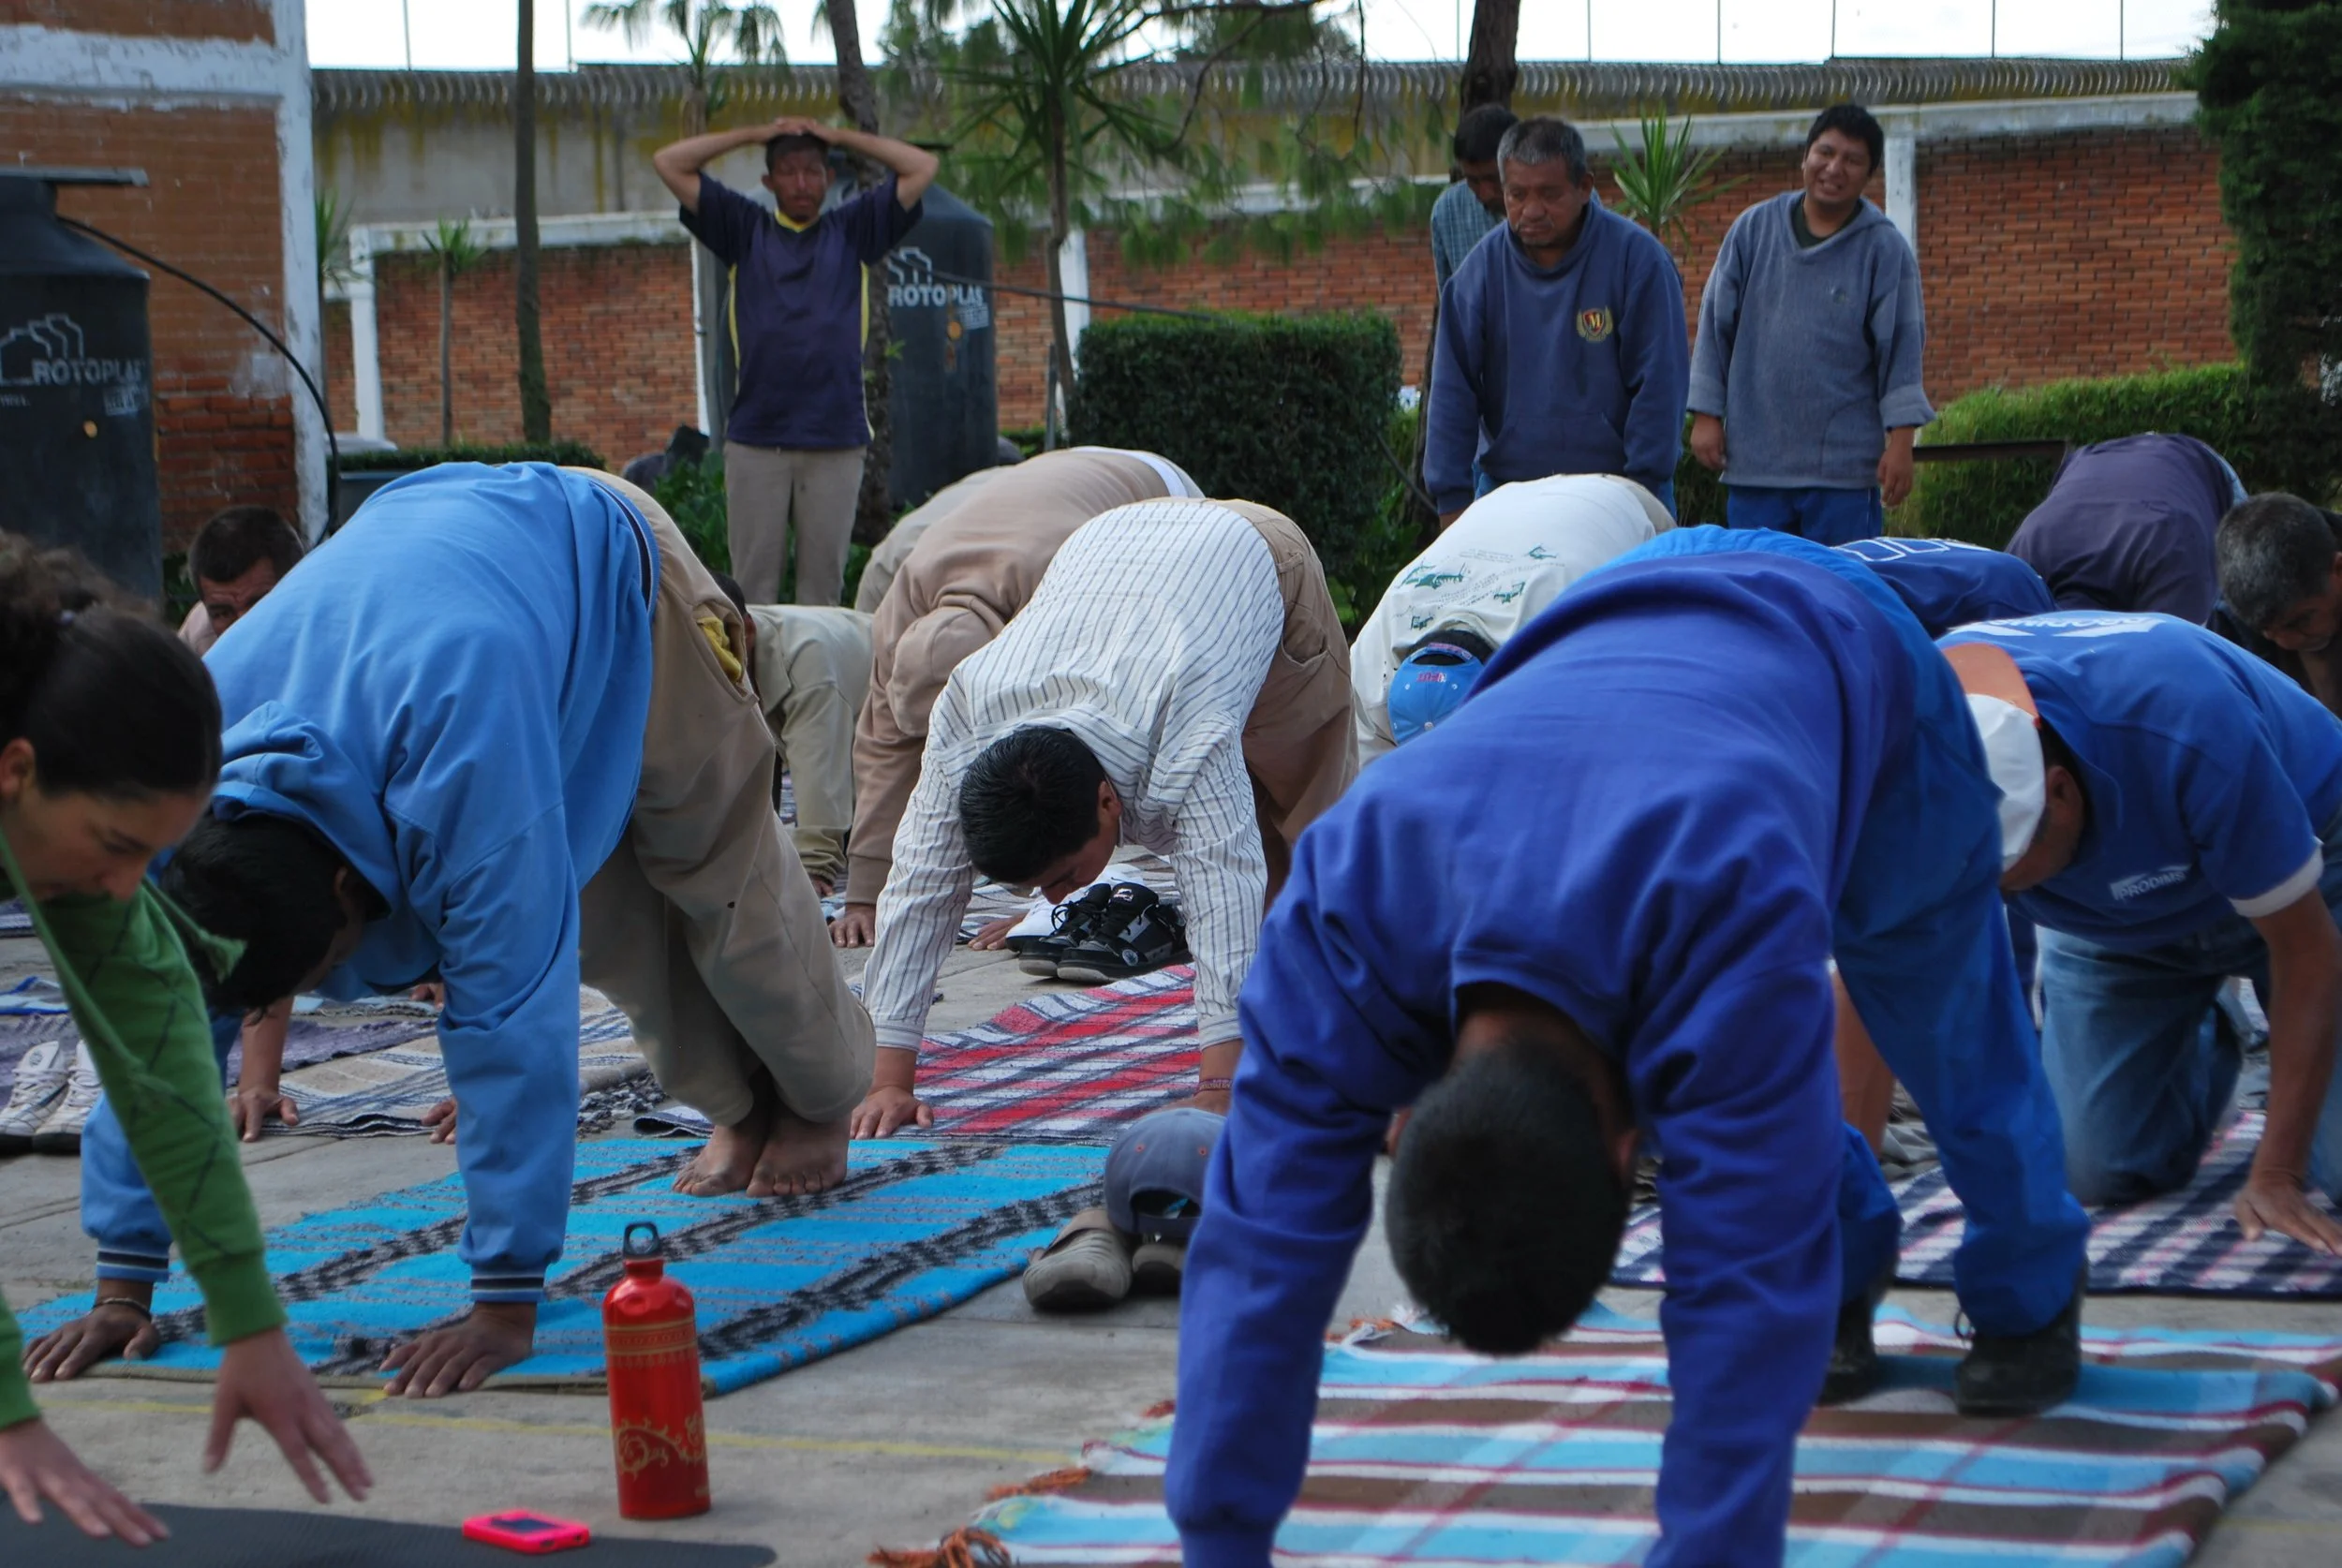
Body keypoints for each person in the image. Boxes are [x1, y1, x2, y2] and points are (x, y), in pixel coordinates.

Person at [1164, 527, 2089, 1568]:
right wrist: (1221, 1545)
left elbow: (1743, 1277)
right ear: (1409, 1123)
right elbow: (1261, 1240)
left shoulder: (1724, 905)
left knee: (1951, 1032)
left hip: (1843, 643)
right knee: (1751, 1104)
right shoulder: (1348, 895)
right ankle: (1847, 1273)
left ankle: (2030, 1292)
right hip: (1616, 633)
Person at [151, 463, 872, 1399]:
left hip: (615, 565)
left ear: (342, 880)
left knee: (720, 875)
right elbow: (154, 1036)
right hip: (479, 608)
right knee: (612, 927)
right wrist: (124, 1280)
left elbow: (510, 1023)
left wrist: (503, 1303)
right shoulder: (183, 782)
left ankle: (817, 1096)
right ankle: (738, 1107)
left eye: (331, 961)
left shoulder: (456, 762)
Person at [0, 534, 369, 1542]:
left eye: (153, 857)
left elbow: (162, 1070)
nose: (129, 888)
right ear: (16, 772)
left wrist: (248, 1321)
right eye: (119, 848)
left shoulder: (76, 834)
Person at [852, 497, 1355, 1137]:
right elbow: (920, 889)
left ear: (1106, 801)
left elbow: (1221, 885)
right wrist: (888, 1080)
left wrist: (1220, 1087)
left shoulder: (1186, 730)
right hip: (1114, 549)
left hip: (1257, 558)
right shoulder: (966, 716)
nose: (1054, 900)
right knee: (1254, 843)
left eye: (1061, 876)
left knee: (1315, 839)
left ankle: (1342, 1019)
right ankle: (1270, 1015)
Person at [1942, 610, 2342, 1251]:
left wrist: (2277, 1174)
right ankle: (2205, 1026)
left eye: (2008, 874)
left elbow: (2309, 952)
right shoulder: (1922, 727)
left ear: (2060, 795)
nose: (1999, 893)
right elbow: (1891, 975)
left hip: (2312, 861)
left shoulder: (2184, 727)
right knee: (2090, 1169)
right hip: (2117, 925)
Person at [831, 448, 1203, 947]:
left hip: (1155, 494)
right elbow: (883, 748)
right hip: (1050, 490)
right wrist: (865, 896)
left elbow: (1088, 769)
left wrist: (1052, 902)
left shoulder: (1064, 603)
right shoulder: (898, 625)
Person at [653, 117, 939, 606]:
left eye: (812, 171)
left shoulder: (853, 230)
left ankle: (813, 670)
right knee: (752, 596)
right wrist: (751, 133)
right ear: (769, 181)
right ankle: (751, 665)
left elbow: (922, 167)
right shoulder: (744, 228)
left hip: (835, 441)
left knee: (821, 598)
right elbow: (669, 163)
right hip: (757, 441)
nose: (802, 183)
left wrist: (840, 137)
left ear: (829, 179)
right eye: (788, 171)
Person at [1425, 116, 1689, 523]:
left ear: (1584, 187)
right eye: (1517, 195)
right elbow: (1450, 395)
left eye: (1549, 194)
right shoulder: (1477, 276)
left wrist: (1643, 491)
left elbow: (1659, 387)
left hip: (1622, 490)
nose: (1531, 210)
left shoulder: (1639, 263)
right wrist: (1452, 503)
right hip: (1508, 492)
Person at [1689, 104, 1931, 545]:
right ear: (1805, 157)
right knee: (1760, 581)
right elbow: (1714, 325)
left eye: (1852, 160)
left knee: (1838, 583)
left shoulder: (1883, 248)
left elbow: (1901, 348)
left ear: (1869, 174)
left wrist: (1901, 443)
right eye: (1826, 152)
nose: (1835, 168)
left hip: (1843, 478)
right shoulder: (1753, 231)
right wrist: (1706, 415)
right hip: (1756, 469)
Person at [1350, 473, 1673, 762]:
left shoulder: (1568, 642)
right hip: (1499, 505)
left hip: (1618, 502)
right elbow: (1359, 782)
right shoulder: (1368, 668)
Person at [710, 570, 875, 896]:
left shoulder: (807, 665)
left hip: (896, 705)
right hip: (847, 680)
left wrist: (815, 866)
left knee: (875, 835)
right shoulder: (722, 631)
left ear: (748, 632)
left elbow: (820, 766)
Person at [2005, 433, 2244, 624]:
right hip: (2096, 461)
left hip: (2198, 468)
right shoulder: (2019, 564)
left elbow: (2185, 656)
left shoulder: (2174, 561)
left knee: (2244, 613)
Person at [2215, 491, 2342, 716]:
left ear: (2338, 570)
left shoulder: (2317, 566)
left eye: (2301, 621)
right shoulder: (2230, 622)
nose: (2287, 642)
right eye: (2267, 631)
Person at [176, 505, 304, 655]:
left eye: (258, 606)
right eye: (224, 614)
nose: (242, 629)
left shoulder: (326, 628)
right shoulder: (199, 640)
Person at [1429, 103, 1516, 291]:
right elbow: (1451, 300)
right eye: (1473, 180)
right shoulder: (1448, 211)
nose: (1485, 194)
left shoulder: (1563, 203)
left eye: (1494, 178)